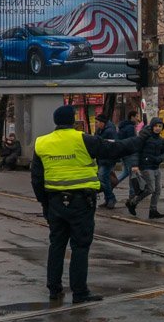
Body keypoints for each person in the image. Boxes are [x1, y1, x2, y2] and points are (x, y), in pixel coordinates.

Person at [32, 105, 151, 303]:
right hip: (81, 203)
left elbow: (36, 180)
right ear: (73, 121)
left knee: (56, 246)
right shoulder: (84, 140)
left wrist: (45, 205)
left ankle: (54, 289)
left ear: (55, 121)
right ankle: (79, 293)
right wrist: (142, 138)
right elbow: (117, 149)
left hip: (55, 203)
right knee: (80, 247)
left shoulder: (42, 143)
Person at [126, 118, 164, 219]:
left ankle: (153, 211)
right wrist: (135, 165)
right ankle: (132, 203)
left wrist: (160, 159)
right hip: (146, 166)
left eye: (160, 126)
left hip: (156, 167)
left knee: (157, 190)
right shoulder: (145, 138)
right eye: (156, 126)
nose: (158, 128)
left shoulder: (161, 140)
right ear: (152, 126)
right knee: (150, 189)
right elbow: (136, 151)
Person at [93, 114, 120, 209]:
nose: (95, 124)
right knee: (106, 179)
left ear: (102, 122)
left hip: (108, 159)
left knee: (102, 178)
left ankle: (111, 198)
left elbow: (113, 145)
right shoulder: (100, 130)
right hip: (102, 159)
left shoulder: (110, 131)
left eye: (96, 122)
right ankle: (108, 199)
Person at [114, 111, 139, 197]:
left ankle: (112, 184)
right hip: (129, 153)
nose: (137, 118)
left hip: (123, 152)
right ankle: (132, 193)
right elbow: (132, 141)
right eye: (136, 116)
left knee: (125, 172)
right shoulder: (130, 127)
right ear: (132, 117)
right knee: (132, 173)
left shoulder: (123, 126)